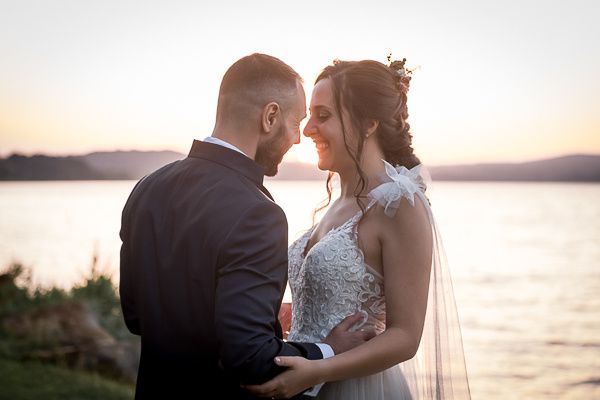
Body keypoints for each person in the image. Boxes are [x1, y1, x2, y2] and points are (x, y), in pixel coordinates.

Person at [119, 53, 373, 399]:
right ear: (270, 116)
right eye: (295, 122)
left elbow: (135, 316)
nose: (298, 139)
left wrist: (258, 321)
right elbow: (250, 360)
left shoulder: (147, 188)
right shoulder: (257, 214)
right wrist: (327, 349)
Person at [245, 58, 471, 399]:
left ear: (368, 123)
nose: (307, 130)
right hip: (305, 379)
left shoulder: (399, 204)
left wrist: (318, 370)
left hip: (356, 387)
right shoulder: (336, 203)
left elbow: (405, 337)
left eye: (324, 116)